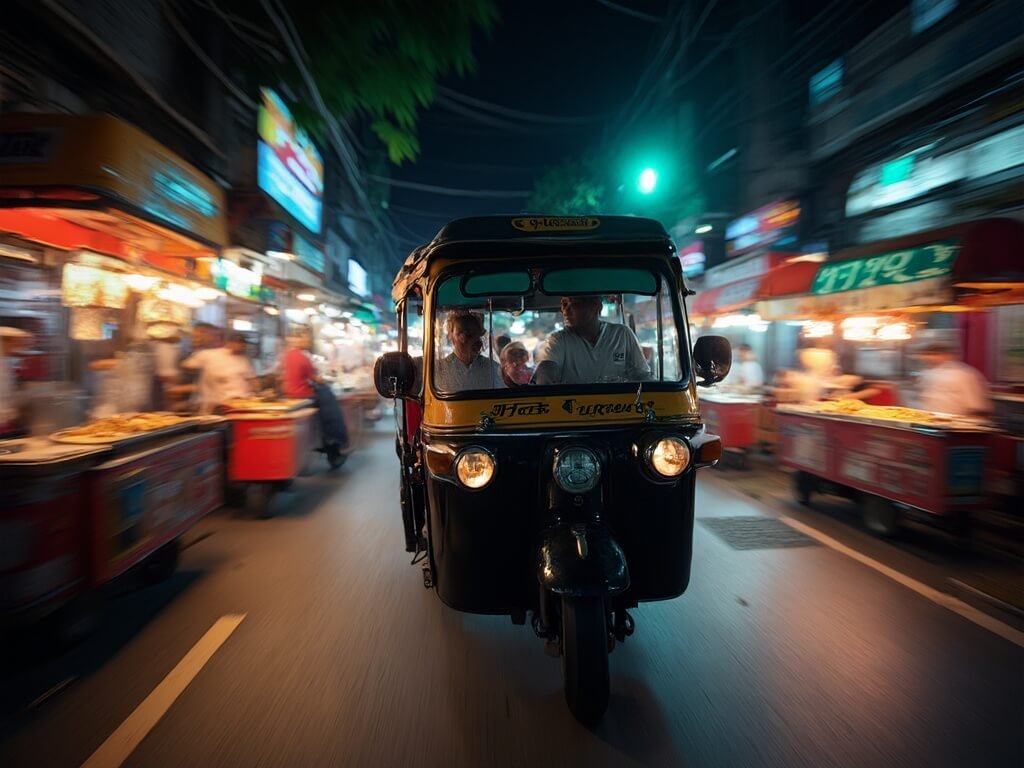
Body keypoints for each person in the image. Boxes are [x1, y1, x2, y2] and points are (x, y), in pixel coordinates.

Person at [534, 296, 650, 385]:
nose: (565, 310)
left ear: (595, 306)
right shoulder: (559, 340)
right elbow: (547, 369)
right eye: (564, 304)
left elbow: (643, 376)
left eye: (573, 304)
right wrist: (545, 380)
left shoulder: (622, 335)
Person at [181, 332, 257, 413]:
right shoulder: (209, 354)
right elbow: (186, 365)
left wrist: (254, 391)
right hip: (216, 405)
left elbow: (252, 378)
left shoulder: (243, 359)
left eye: (242, 345)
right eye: (237, 344)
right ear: (229, 343)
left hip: (239, 403)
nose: (241, 348)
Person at [916, 340, 993, 417]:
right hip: (930, 418)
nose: (928, 357)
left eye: (933, 354)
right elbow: (925, 397)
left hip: (956, 421)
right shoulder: (926, 373)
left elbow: (976, 405)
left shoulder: (963, 374)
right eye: (926, 354)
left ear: (946, 355)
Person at [434, 310, 504, 391]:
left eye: (475, 335)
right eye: (464, 335)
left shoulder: (493, 369)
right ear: (452, 337)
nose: (471, 341)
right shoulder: (440, 369)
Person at [0, 327, 29, 437]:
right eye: (18, 343)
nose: (19, 348)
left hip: (7, 422)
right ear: (5, 341)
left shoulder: (5, 361)